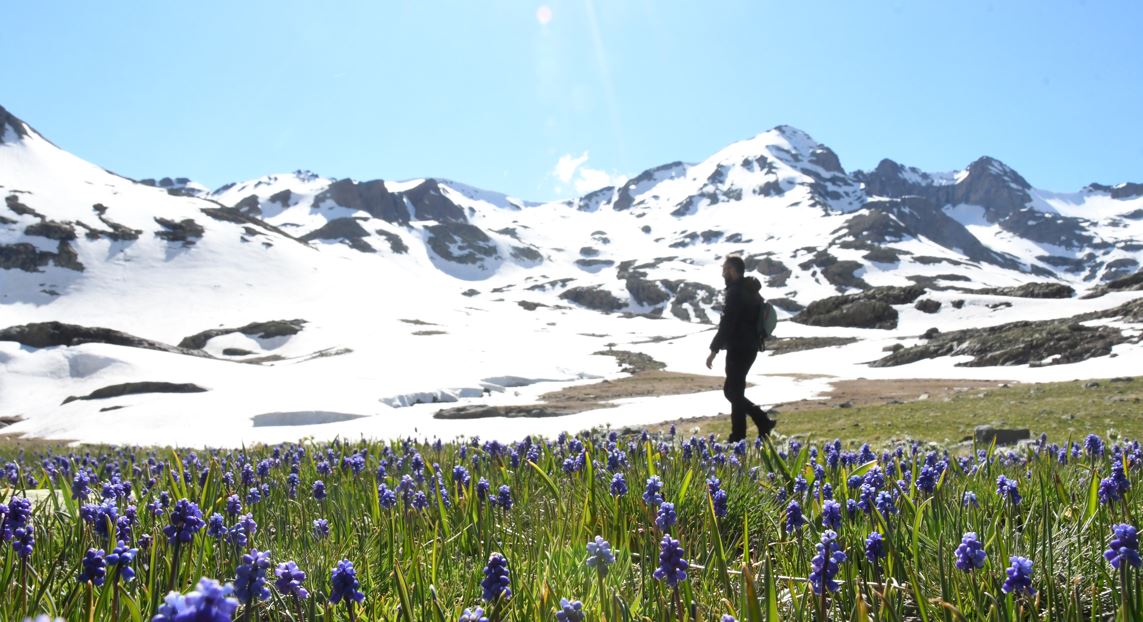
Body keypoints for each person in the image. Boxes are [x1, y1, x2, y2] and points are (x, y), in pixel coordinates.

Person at [705, 255, 775, 442]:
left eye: (725, 269)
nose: (722, 273)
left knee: (733, 392)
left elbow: (728, 323)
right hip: (750, 347)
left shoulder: (736, 292)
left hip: (739, 347)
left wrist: (714, 350)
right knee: (735, 391)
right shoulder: (749, 290)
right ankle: (746, 431)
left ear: (733, 271)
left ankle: (751, 428)